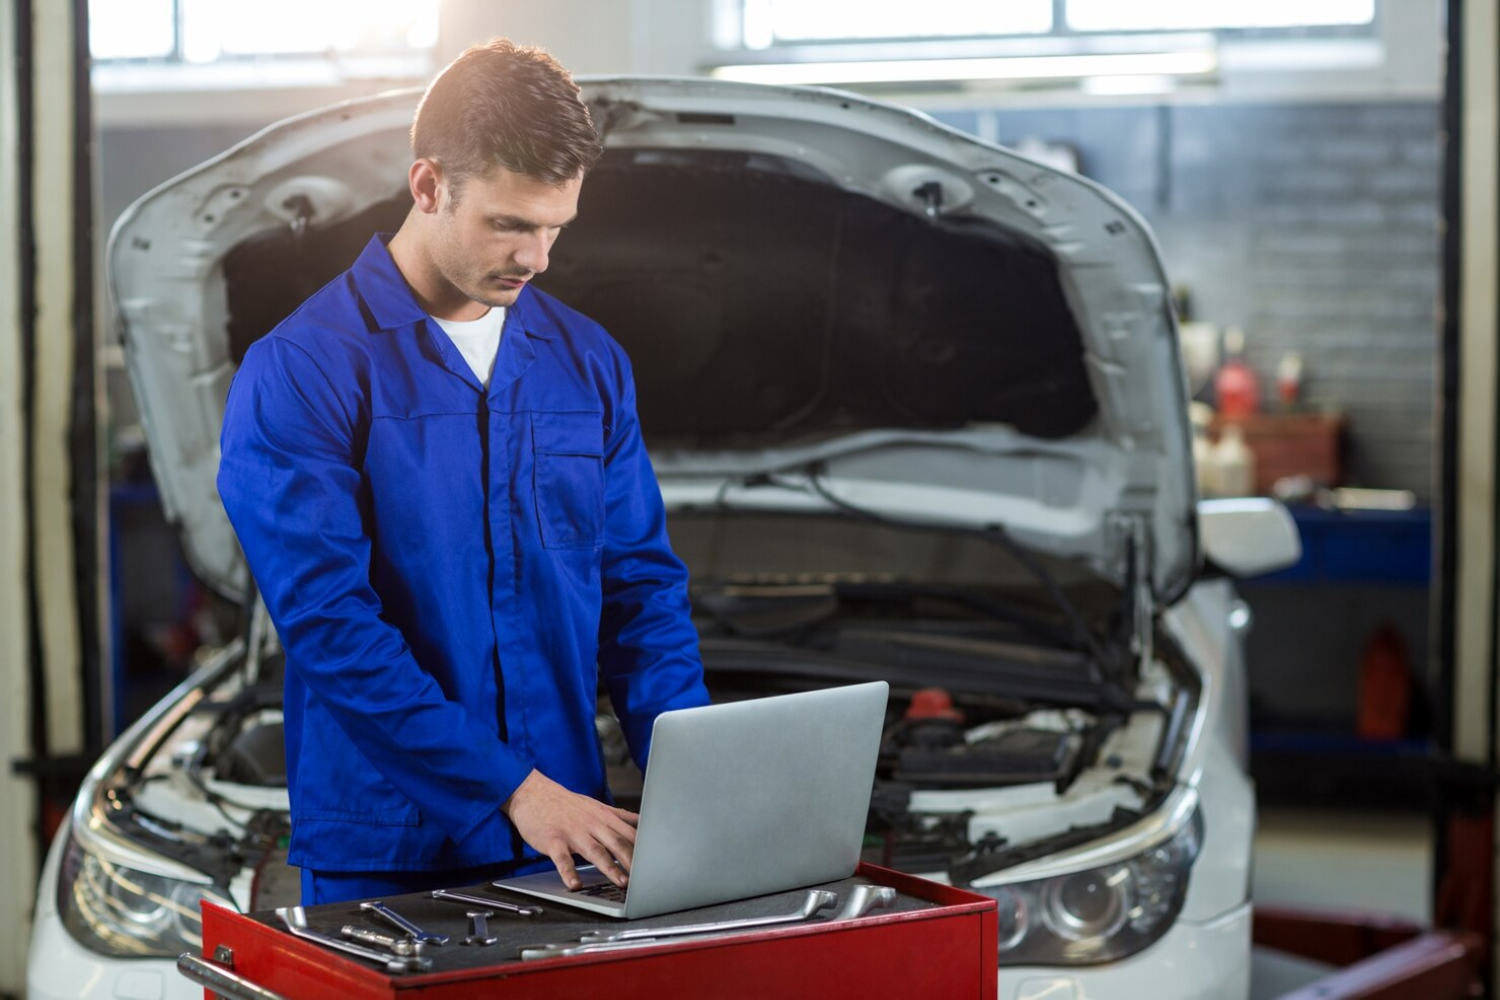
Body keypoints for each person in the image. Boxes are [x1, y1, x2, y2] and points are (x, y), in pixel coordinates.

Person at [217, 38, 711, 907]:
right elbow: (330, 625)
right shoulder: (303, 369)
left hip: (565, 837)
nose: (537, 259)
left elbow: (639, 589)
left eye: (555, 228)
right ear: (427, 186)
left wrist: (707, 781)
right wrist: (511, 789)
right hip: (387, 847)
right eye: (511, 225)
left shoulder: (586, 363)